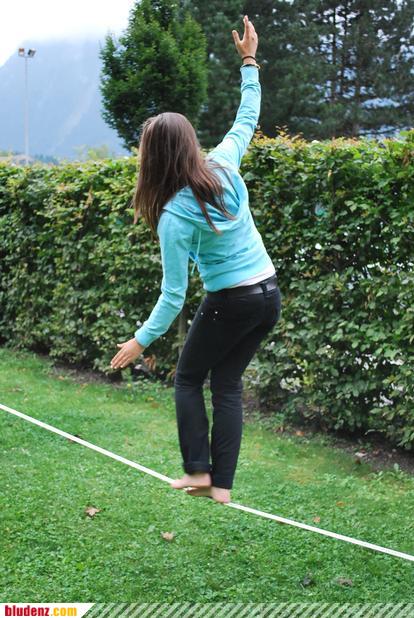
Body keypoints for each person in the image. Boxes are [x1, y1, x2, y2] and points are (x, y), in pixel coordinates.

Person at [110, 15, 282, 504]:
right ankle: (220, 485)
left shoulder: (174, 215)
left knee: (188, 379)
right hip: (269, 295)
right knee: (226, 382)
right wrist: (249, 61)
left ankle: (200, 473)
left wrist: (140, 340)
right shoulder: (224, 164)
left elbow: (173, 296)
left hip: (232, 300)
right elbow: (246, 117)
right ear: (188, 145)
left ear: (152, 159)